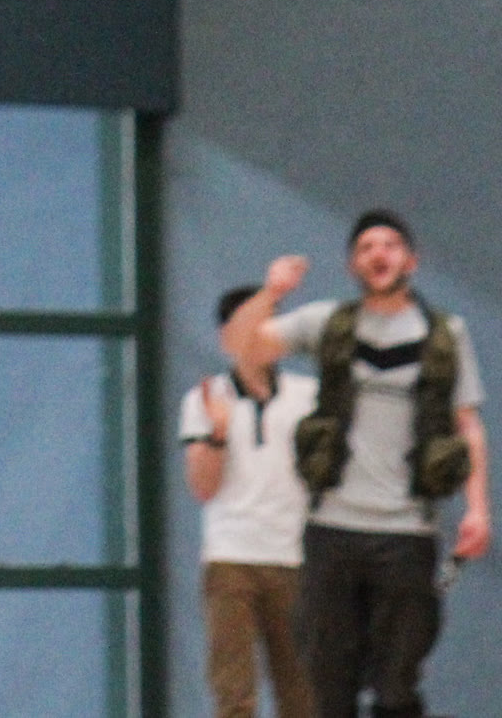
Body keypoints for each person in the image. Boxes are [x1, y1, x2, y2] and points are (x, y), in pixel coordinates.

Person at [224, 210, 491, 718]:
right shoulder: (328, 323)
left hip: (408, 533)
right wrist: (270, 294)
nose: (378, 254)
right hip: (332, 530)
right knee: (327, 682)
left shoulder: (444, 334)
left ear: (411, 260)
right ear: (352, 265)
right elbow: (243, 348)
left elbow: (467, 424)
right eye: (366, 247)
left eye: (390, 245)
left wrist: (478, 509)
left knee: (398, 685)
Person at [184, 285, 319, 718]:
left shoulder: (309, 395)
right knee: (234, 694)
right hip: (231, 558)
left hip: (295, 556)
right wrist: (218, 433)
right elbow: (202, 488)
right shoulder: (205, 398)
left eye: (271, 326)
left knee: (302, 694)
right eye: (249, 326)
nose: (262, 337)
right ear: (227, 337)